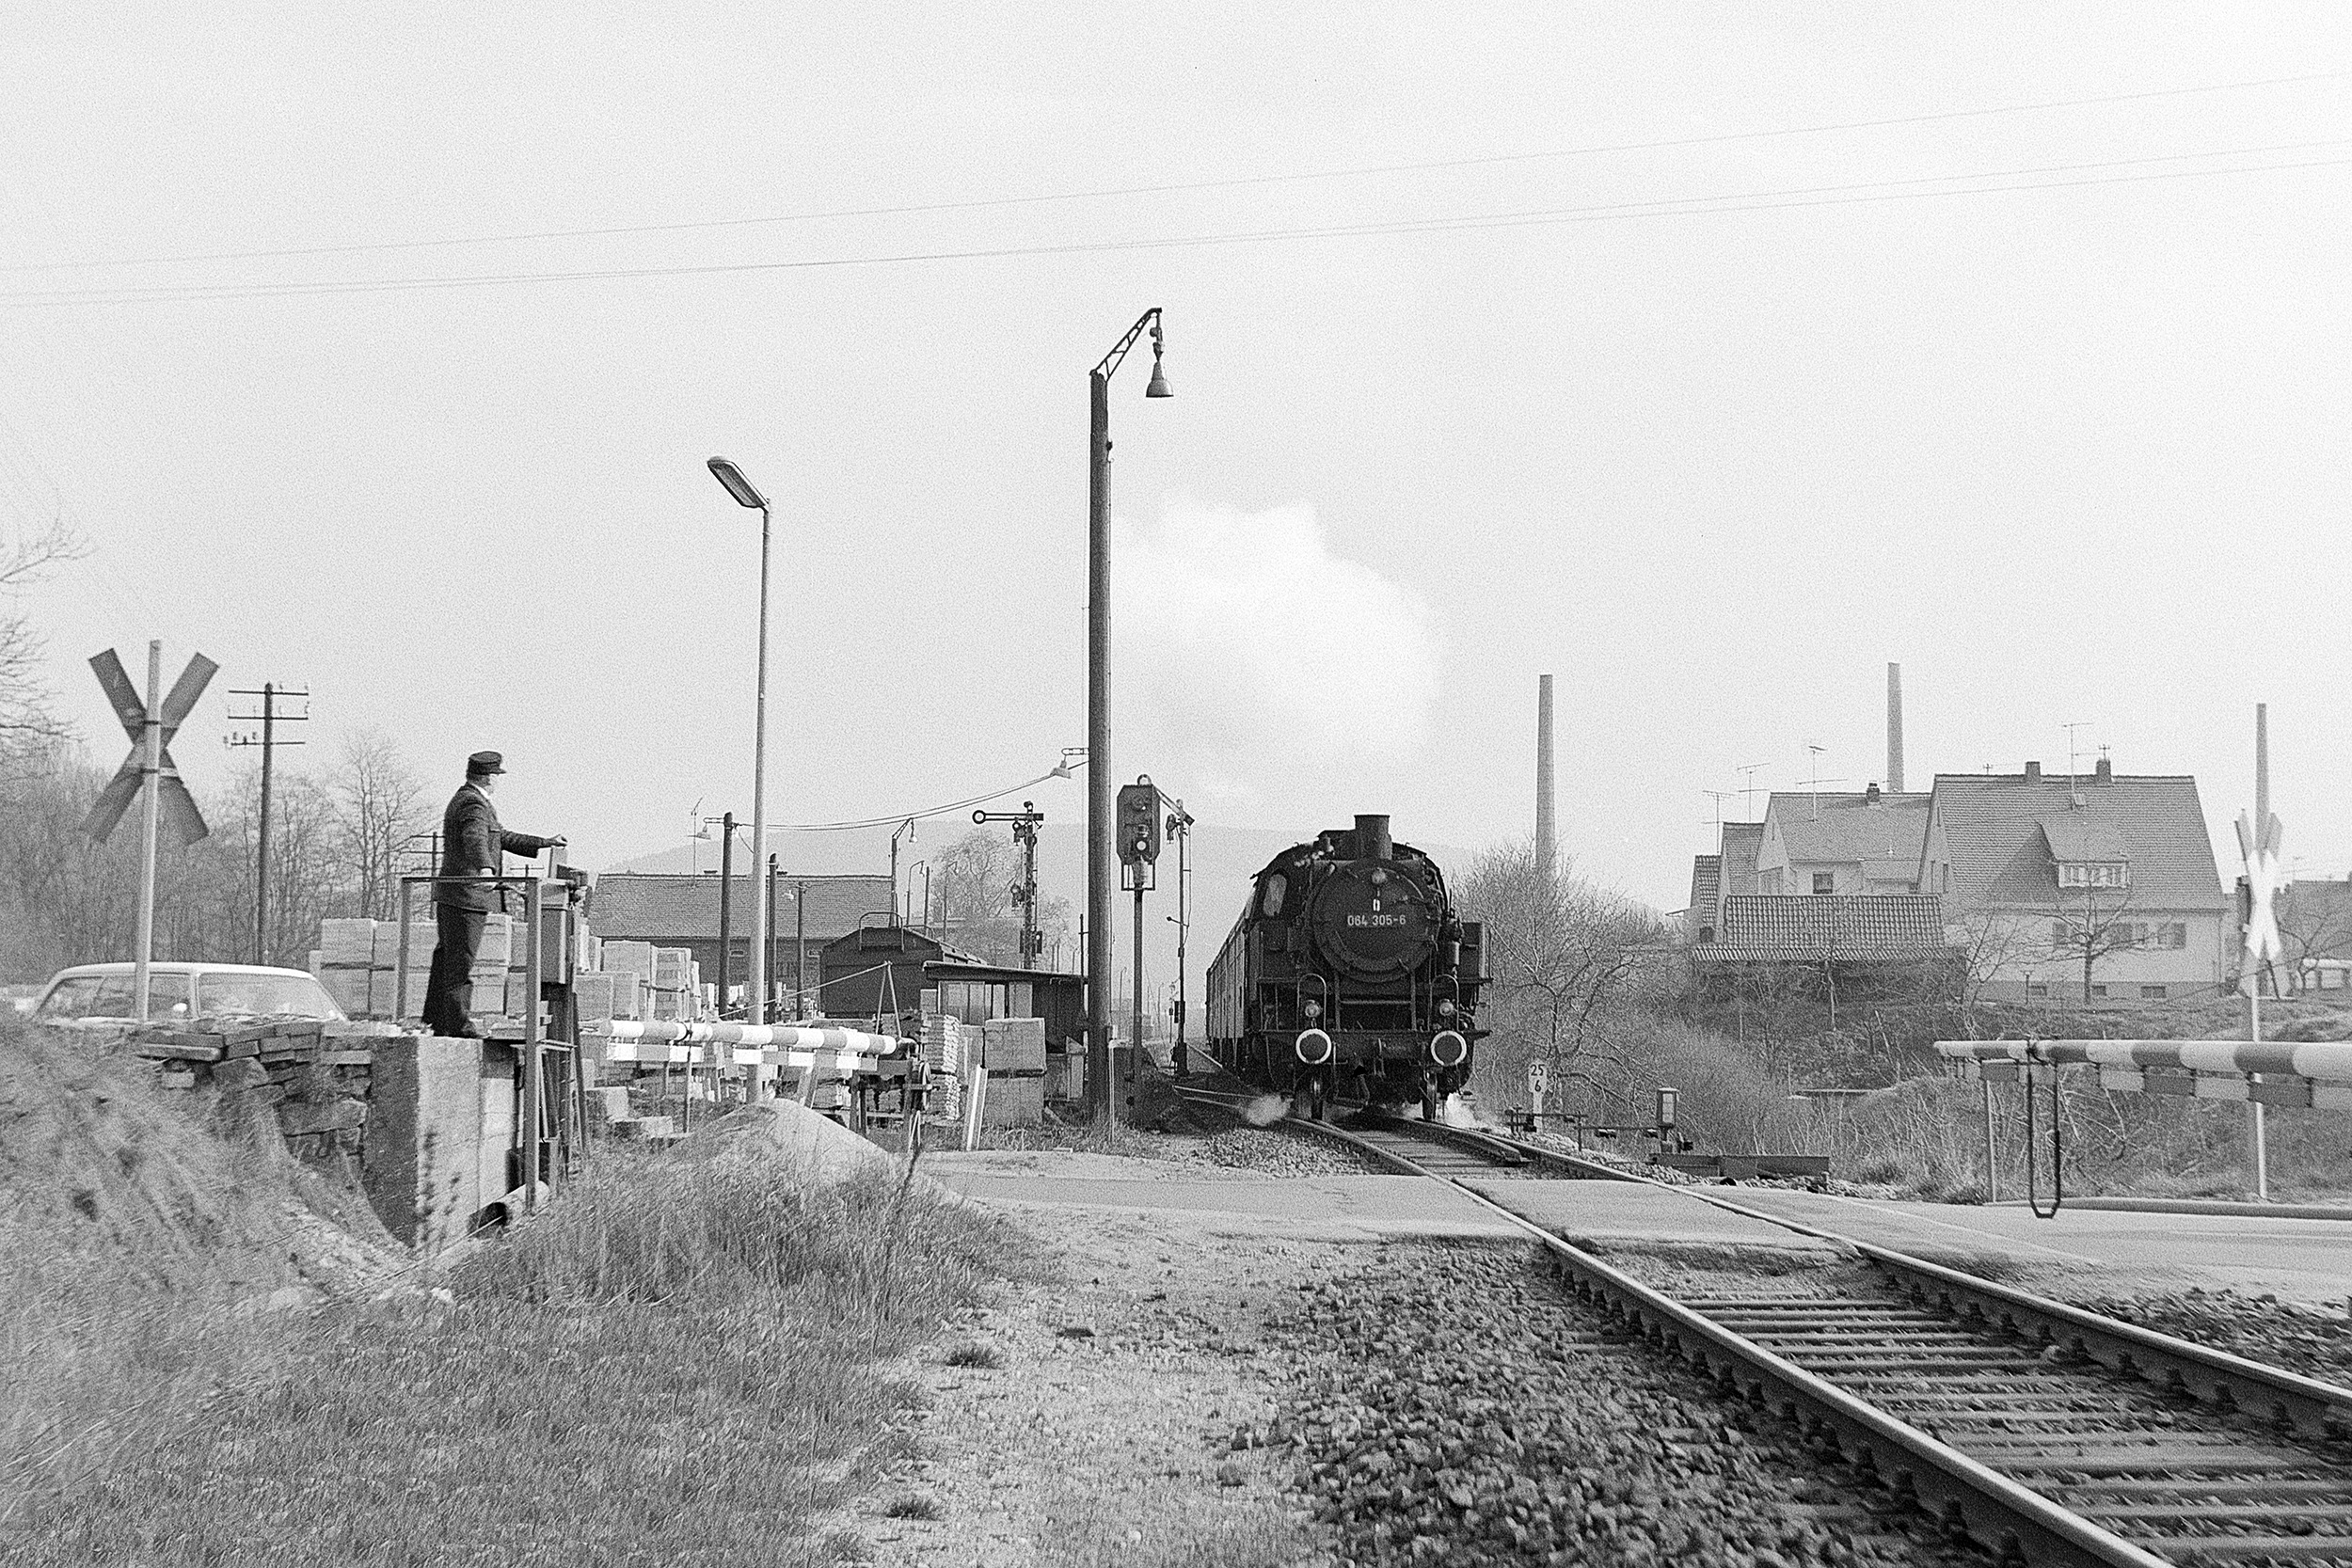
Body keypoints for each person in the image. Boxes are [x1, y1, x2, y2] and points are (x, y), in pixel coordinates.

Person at [422, 751, 564, 1038]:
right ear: (489, 777)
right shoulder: (473, 805)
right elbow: (475, 839)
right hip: (466, 897)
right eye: (497, 776)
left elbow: (501, 836)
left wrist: (542, 843)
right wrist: (486, 868)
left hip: (458, 896)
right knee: (459, 965)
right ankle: (458, 1028)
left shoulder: (469, 800)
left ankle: (435, 1022)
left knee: (447, 961)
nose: (498, 781)